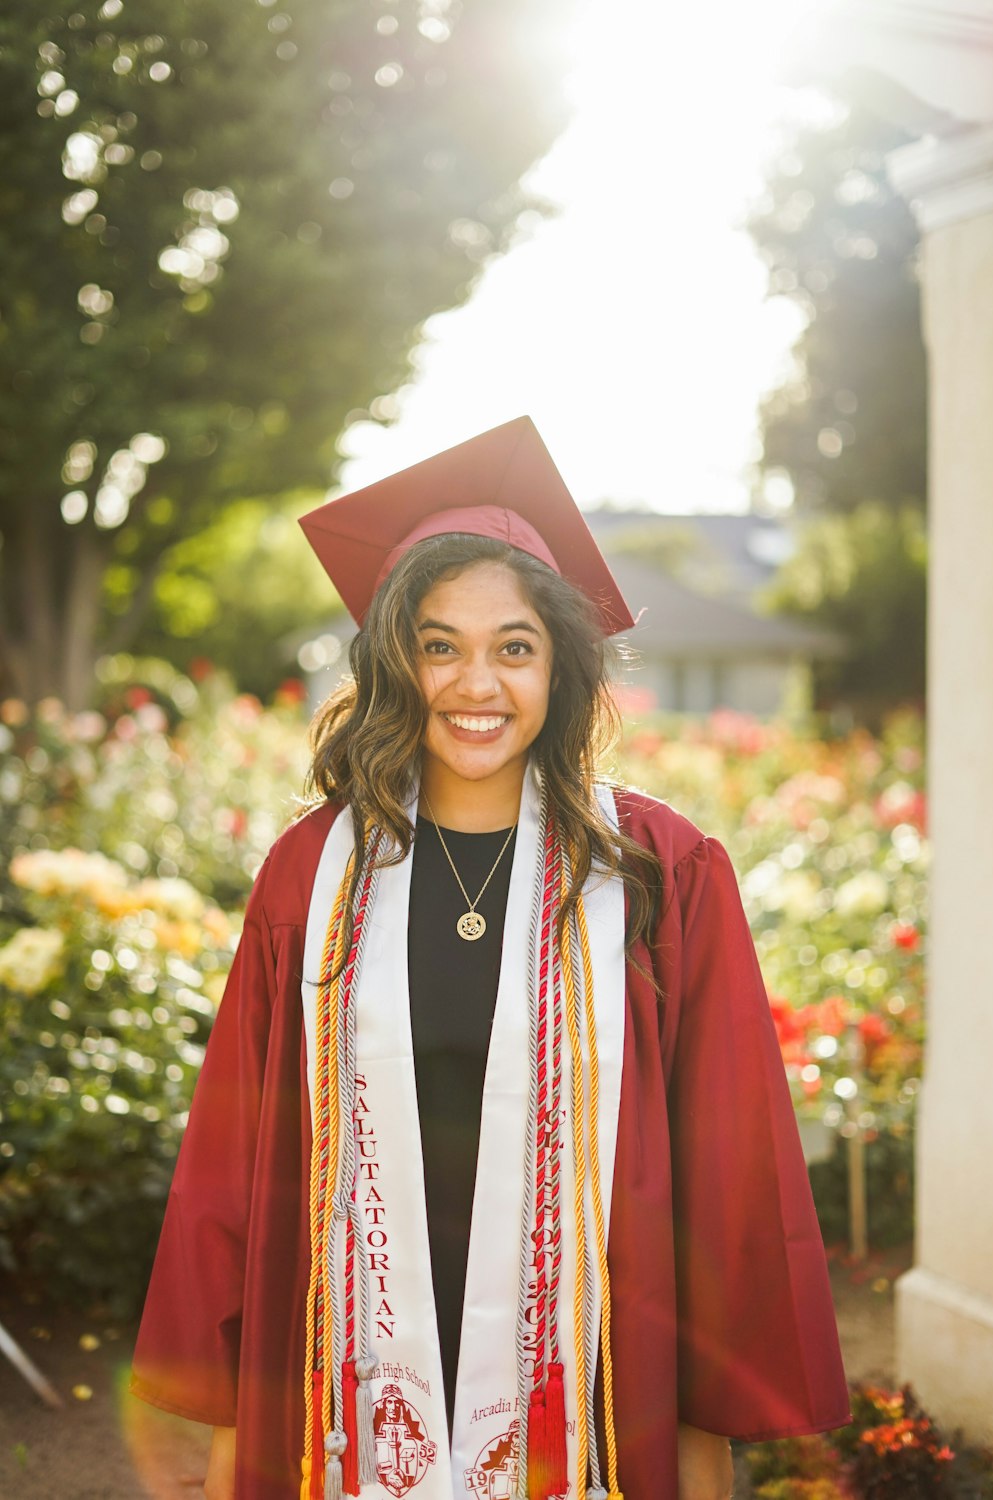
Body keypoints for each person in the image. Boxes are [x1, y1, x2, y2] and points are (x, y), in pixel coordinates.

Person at [131, 417, 852, 1500]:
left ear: (559, 661)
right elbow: (240, 1156)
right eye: (439, 645)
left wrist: (705, 1432)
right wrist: (241, 1406)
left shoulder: (657, 870)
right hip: (352, 1346)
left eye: (514, 645)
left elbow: (728, 1169)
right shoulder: (312, 876)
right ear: (394, 660)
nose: (478, 682)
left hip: (601, 1350)